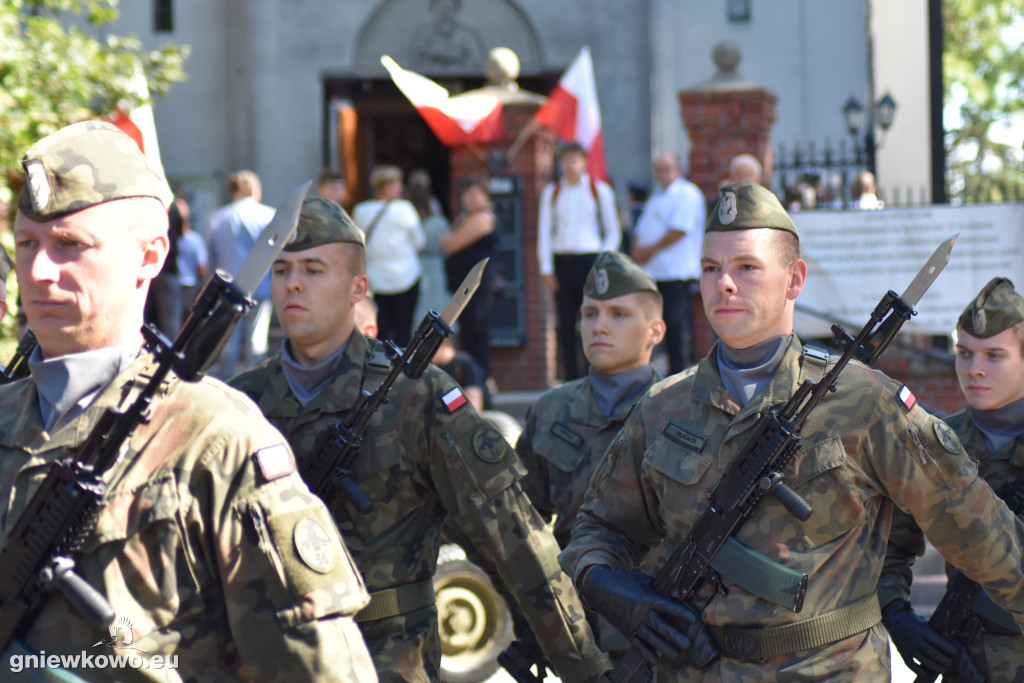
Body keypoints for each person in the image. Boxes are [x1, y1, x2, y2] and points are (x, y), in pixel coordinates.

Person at [559, 180, 1024, 680]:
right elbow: (597, 528)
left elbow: (987, 540)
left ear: (794, 279)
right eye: (711, 269)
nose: (725, 284)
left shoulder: (866, 404)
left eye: (746, 267)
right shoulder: (662, 408)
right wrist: (609, 584)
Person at [1, 120, 375, 681]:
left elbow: (321, 670)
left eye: (69, 245)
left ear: (150, 257)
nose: (38, 271)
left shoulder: (218, 436)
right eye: (27, 243)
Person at [229, 197, 609, 683]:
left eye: (314, 269)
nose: (293, 284)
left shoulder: (417, 396)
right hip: (265, 658)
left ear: (357, 287)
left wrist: (584, 667)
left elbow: (512, 537)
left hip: (386, 659)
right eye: (281, 270)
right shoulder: (240, 402)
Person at [516, 250, 664, 660]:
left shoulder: (682, 409)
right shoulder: (550, 410)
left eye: (618, 314)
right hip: (573, 639)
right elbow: (514, 525)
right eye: (589, 313)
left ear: (655, 331)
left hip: (659, 637)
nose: (599, 326)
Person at [879, 277, 1024, 682]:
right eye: (964, 353)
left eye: (994, 355)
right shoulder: (936, 442)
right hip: (963, 661)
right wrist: (897, 613)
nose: (974, 370)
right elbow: (890, 543)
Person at [538, 142, 621, 381]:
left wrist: (602, 262)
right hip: (562, 260)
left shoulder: (599, 190)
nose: (571, 166)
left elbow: (613, 231)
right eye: (566, 161)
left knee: (591, 319)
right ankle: (571, 378)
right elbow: (544, 231)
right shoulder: (552, 192)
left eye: (575, 160)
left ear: (584, 162)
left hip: (589, 261)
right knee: (564, 323)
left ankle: (593, 374)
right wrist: (546, 267)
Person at [631, 152, 706, 374]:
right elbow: (642, 227)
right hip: (654, 272)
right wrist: (637, 249)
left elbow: (679, 230)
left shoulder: (688, 194)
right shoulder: (657, 195)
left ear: (678, 169)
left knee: (676, 327)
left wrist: (647, 251)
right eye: (659, 169)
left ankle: (679, 376)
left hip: (676, 271)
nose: (662, 174)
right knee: (653, 327)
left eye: (667, 169)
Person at [206, 169, 276, 378]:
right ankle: (256, 383)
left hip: (228, 285)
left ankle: (227, 382)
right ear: (255, 189)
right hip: (261, 283)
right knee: (257, 341)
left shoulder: (217, 217)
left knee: (227, 340)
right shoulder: (269, 215)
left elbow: (211, 256)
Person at [353, 164, 424, 347]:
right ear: (387, 185)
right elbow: (420, 242)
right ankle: (401, 372)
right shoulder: (405, 208)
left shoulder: (361, 210)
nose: (400, 188)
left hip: (375, 280)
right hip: (406, 276)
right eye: (397, 183)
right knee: (404, 332)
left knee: (379, 331)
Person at [440, 176, 500, 379]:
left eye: (475, 193)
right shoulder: (465, 217)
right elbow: (444, 241)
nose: (470, 198)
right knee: (468, 333)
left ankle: (483, 381)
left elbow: (451, 243)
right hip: (463, 286)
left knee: (477, 333)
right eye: (466, 194)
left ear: (486, 196)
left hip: (479, 286)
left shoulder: (483, 218)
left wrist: (452, 237)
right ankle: (473, 378)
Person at [408, 182, 451, 325]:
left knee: (422, 312)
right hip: (437, 269)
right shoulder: (439, 222)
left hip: (420, 270)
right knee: (438, 312)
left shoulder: (414, 224)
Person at [172, 185, 209, 319]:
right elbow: (202, 268)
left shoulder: (171, 238)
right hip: (189, 285)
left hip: (173, 282)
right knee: (188, 319)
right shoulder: (195, 239)